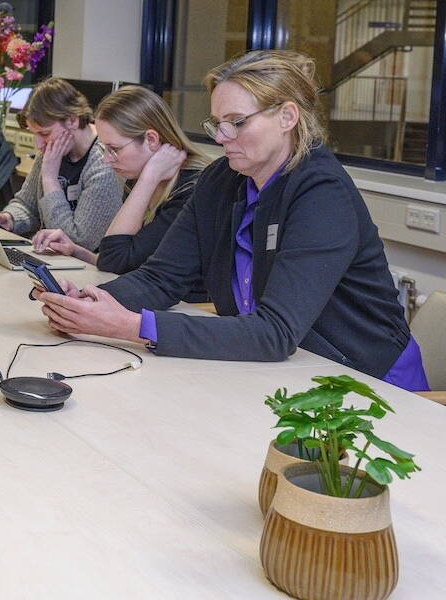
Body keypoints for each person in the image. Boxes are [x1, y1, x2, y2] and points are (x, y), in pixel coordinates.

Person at [33, 50, 428, 391]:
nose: (221, 136)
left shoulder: (322, 193)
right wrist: (89, 302)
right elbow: (161, 278)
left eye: (237, 122)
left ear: (287, 116)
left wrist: (129, 326)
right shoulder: (221, 180)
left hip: (369, 385)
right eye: (217, 123)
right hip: (284, 373)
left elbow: (275, 332)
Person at [33, 85, 211, 279]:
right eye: (104, 149)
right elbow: (126, 262)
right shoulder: (137, 176)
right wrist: (76, 251)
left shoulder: (188, 190)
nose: (106, 160)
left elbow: (116, 260)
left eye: (114, 149)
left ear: (151, 139)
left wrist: (148, 178)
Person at [0, 78, 122, 252]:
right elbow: (27, 204)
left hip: (84, 264)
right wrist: (11, 218)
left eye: (45, 133)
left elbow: (77, 242)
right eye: (35, 134)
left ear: (73, 121)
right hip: (51, 256)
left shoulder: (104, 165)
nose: (39, 144)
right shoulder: (52, 150)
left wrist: (50, 179)